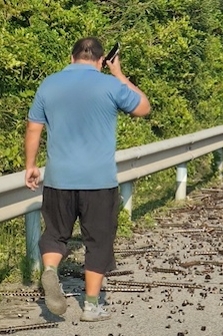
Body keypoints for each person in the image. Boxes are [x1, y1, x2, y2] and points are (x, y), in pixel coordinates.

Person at [24, 37, 151, 321]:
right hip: (99, 180)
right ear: (101, 60)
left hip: (59, 178)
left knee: (55, 233)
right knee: (98, 240)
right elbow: (143, 107)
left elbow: (34, 127)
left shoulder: (50, 84)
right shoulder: (110, 85)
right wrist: (118, 73)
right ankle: (92, 306)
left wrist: (31, 165)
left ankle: (49, 270)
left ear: (71, 59)